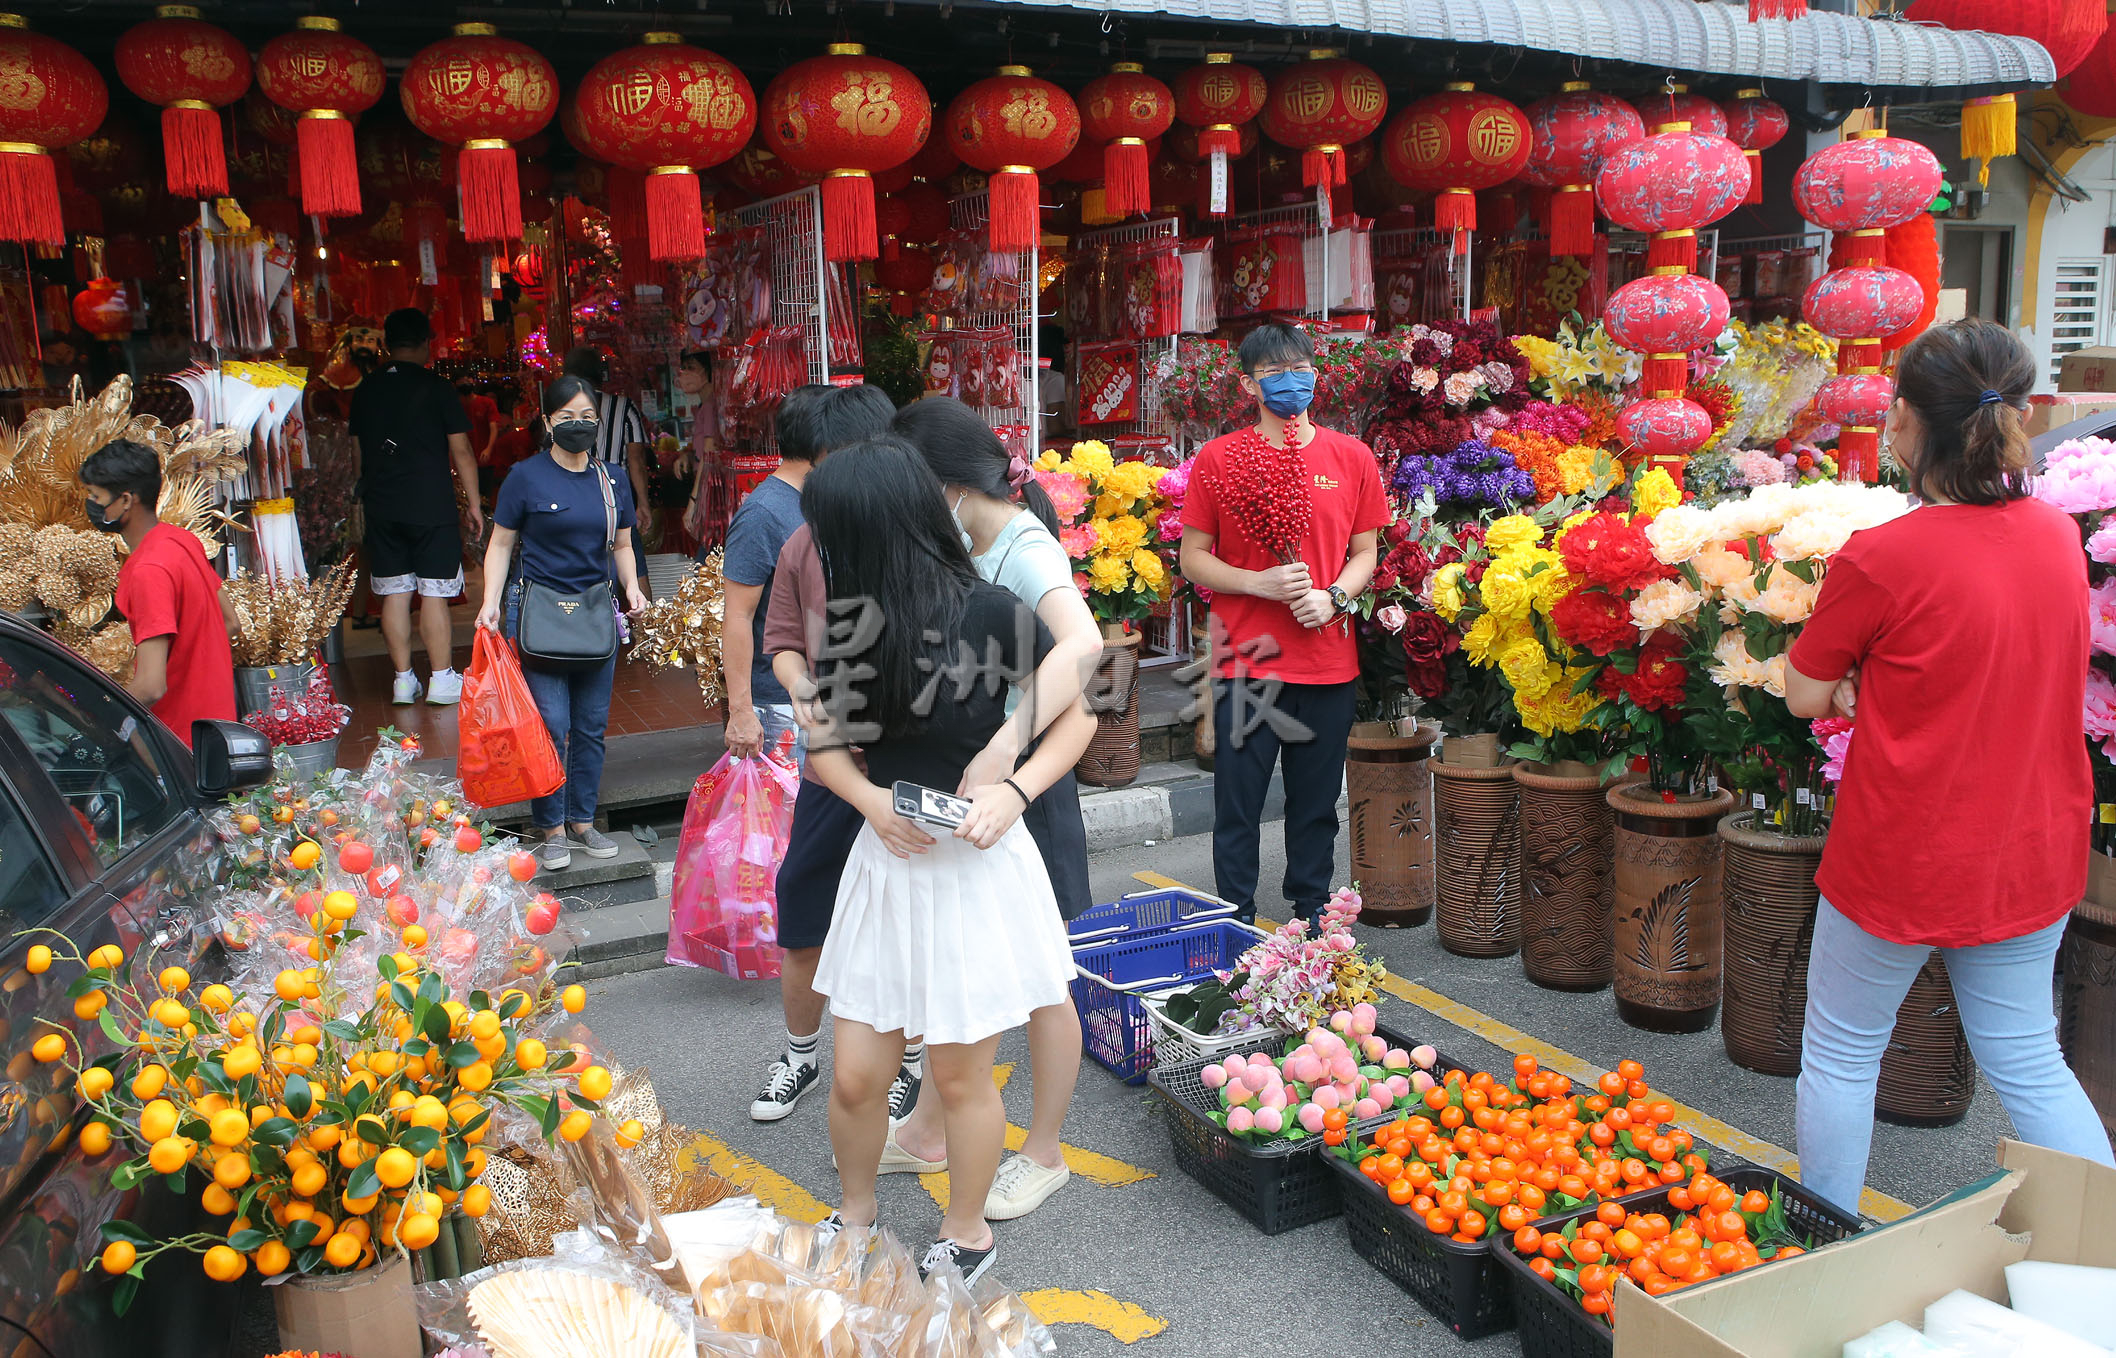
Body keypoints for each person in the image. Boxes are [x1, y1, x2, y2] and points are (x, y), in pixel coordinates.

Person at [1784, 318, 2115, 1214]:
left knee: (1845, 1051)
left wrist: (1855, 680)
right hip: (2030, 840)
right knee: (2026, 1056)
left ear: (1900, 421)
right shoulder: (2055, 536)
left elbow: (1802, 693)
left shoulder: (1884, 556)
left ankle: (1826, 1241)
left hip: (1906, 848)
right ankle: (2104, 1252)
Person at [798, 434, 1094, 1284]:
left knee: (961, 1076)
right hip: (888, 865)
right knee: (856, 1077)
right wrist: (867, 802)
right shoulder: (851, 628)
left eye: (831, 533)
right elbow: (825, 747)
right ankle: (855, 1213)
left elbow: (1081, 714)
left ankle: (965, 1233)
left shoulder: (993, 611)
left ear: (868, 531)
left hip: (974, 870)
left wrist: (1019, 787)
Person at [883, 397, 1101, 1220]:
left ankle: (1042, 1153)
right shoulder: (969, 541)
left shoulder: (1024, 545)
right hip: (977, 783)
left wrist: (1010, 752)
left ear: (946, 486)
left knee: (1044, 979)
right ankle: (934, 1129)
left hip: (1025, 787)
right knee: (966, 965)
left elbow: (1084, 649)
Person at [1177, 320, 1387, 922]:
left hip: (1327, 663)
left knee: (1316, 803)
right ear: (1249, 386)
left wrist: (1336, 598)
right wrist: (1256, 583)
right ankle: (1232, 919)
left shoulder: (1351, 457)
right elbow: (1193, 557)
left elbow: (1366, 552)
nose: (1292, 384)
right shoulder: (1220, 459)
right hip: (1248, 659)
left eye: (1301, 370)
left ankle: (1312, 917)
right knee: (1237, 803)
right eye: (1275, 374)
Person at [734, 384, 900, 1122]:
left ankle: (913, 1064)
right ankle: (800, 1055)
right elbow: (781, 644)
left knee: (908, 916)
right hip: (832, 763)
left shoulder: (920, 536)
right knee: (803, 899)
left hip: (910, 761)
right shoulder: (803, 542)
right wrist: (800, 690)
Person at [475, 375, 649, 873]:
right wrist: (490, 602)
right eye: (568, 417)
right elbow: (502, 544)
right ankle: (550, 827)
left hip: (596, 612)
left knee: (591, 727)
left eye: (587, 418)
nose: (579, 426)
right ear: (548, 423)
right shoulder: (524, 478)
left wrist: (633, 589)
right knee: (551, 726)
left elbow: (622, 546)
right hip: (539, 615)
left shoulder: (612, 478)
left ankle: (582, 819)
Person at [351, 307, 481, 706]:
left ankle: (403, 680)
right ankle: (442, 679)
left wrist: (361, 495)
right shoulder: (438, 388)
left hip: (382, 504)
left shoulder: (365, 389)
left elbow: (356, 453)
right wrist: (474, 504)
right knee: (433, 593)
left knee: (396, 592)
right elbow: (461, 450)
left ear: (386, 345)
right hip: (431, 503)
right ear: (427, 343)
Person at [79, 438, 235, 747]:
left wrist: (98, 716)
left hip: (178, 741)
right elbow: (230, 622)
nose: (92, 505)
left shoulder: (147, 571)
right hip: (219, 728)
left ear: (126, 500)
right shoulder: (182, 541)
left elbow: (151, 687)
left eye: (96, 496)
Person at [563, 346, 653, 579]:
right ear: (599, 373)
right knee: (634, 569)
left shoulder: (560, 411)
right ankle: (646, 616)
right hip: (617, 499)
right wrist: (642, 503)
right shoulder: (624, 407)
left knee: (583, 569)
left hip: (574, 500)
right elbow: (636, 458)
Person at [675, 349, 734, 554]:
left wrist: (693, 503)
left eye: (691, 368)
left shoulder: (710, 407)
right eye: (684, 368)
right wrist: (689, 455)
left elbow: (709, 455)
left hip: (711, 494)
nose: (685, 373)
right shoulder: (706, 406)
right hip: (710, 492)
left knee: (708, 557)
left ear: (708, 372)